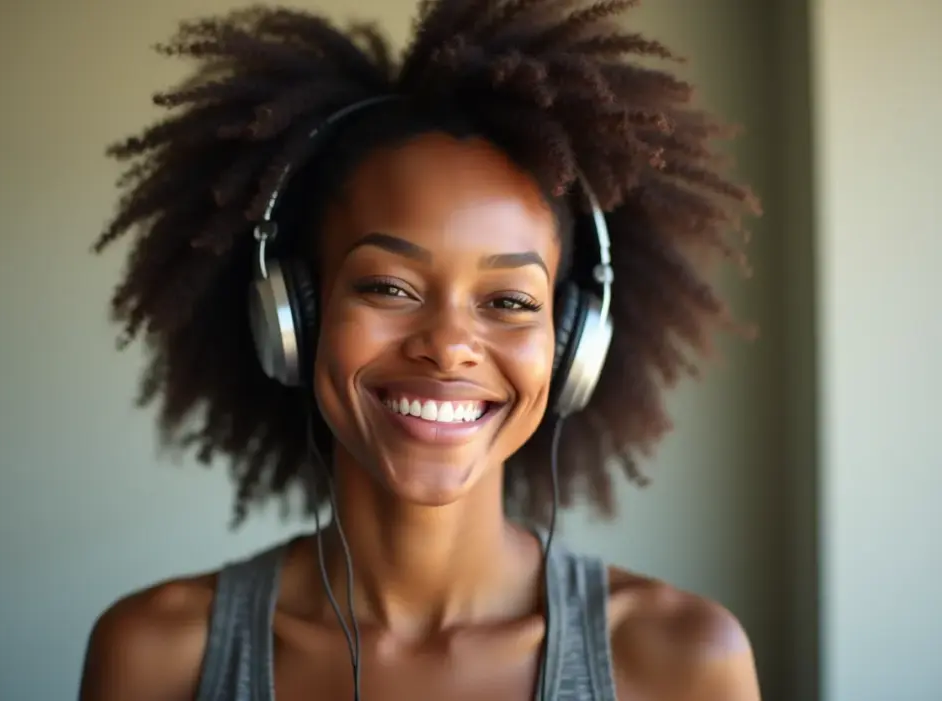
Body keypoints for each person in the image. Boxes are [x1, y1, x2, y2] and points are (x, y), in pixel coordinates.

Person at [79, 1, 763, 700]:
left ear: (571, 341)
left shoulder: (683, 662)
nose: (448, 346)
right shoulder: (158, 656)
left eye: (510, 300)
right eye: (388, 286)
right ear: (291, 315)